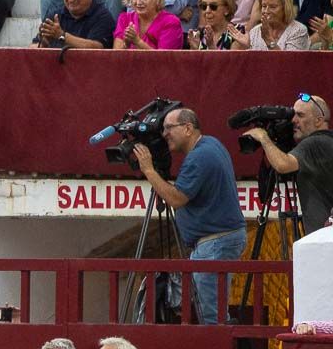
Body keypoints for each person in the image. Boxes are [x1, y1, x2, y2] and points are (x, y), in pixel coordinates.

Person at [133, 108, 244, 325]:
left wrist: (149, 170)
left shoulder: (199, 156)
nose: (164, 135)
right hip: (218, 240)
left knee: (212, 317)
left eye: (168, 128)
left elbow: (176, 199)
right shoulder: (212, 144)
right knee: (212, 311)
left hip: (214, 242)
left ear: (188, 128)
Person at [243, 93, 333, 236]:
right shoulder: (327, 142)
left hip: (324, 241)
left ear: (318, 120)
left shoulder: (314, 142)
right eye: (293, 115)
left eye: (300, 115)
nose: (293, 120)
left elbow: (282, 165)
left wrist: (263, 137)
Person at [33, 0, 116, 48]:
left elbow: (97, 48)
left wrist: (62, 36)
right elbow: (31, 48)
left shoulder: (103, 17)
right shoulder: (54, 15)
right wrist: (43, 44)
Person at [236, 0, 309, 47]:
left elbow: (289, 64)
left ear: (285, 8)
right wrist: (248, 47)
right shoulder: (255, 31)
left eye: (273, 7)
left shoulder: (298, 31)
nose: (266, 11)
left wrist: (270, 41)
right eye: (264, 6)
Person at [114, 0, 185, 47]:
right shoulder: (124, 19)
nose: (138, 2)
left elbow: (164, 60)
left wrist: (138, 42)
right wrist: (126, 44)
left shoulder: (170, 22)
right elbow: (115, 58)